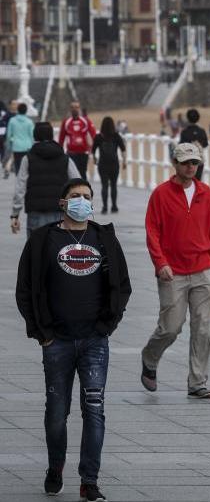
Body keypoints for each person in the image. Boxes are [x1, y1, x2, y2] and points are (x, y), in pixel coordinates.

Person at [15, 178, 131, 502]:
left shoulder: (104, 238)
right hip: (58, 343)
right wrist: (42, 333)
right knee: (56, 412)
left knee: (94, 410)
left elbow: (122, 285)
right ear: (63, 202)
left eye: (87, 196)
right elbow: (25, 289)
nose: (82, 200)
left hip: (94, 341)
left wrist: (108, 325)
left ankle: (89, 480)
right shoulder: (43, 240)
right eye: (76, 196)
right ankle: (55, 468)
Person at [140, 142, 210, 400]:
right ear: (175, 164)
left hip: (204, 269)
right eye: (186, 163)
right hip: (173, 271)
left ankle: (197, 381)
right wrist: (160, 263)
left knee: (202, 328)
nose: (191, 168)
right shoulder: (160, 194)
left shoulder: (205, 193)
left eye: (195, 163)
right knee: (170, 327)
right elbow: (152, 231)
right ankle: (150, 357)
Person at [11, 122, 81, 237]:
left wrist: (15, 214)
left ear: (35, 136)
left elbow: (20, 187)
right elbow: (78, 183)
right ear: (52, 135)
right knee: (57, 251)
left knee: (35, 252)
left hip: (35, 212)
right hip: (60, 212)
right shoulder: (65, 158)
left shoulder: (27, 159)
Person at [90, 117, 126, 214]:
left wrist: (94, 159)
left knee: (104, 185)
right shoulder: (116, 136)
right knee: (114, 185)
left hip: (103, 164)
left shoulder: (98, 136)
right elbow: (123, 149)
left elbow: (93, 150)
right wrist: (124, 162)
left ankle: (105, 207)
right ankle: (114, 206)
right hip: (114, 164)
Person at [58, 102, 96, 180]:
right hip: (71, 152)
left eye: (76, 107)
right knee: (72, 173)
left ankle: (84, 190)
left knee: (83, 172)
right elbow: (61, 137)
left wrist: (91, 147)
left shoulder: (85, 121)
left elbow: (93, 133)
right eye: (72, 107)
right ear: (70, 109)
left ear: (79, 109)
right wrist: (59, 150)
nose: (74, 109)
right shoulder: (66, 122)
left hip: (83, 152)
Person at [178, 108, 209, 180]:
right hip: (198, 160)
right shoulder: (201, 131)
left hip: (187, 160)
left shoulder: (185, 131)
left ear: (188, 118)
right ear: (198, 118)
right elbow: (205, 144)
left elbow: (181, 145)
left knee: (187, 181)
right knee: (197, 180)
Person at [8, 101, 34, 175]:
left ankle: (19, 182)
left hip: (16, 147)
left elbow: (9, 135)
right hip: (27, 147)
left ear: (18, 110)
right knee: (26, 167)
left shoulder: (12, 121)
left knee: (18, 166)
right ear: (26, 111)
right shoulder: (29, 122)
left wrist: (9, 145)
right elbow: (32, 135)